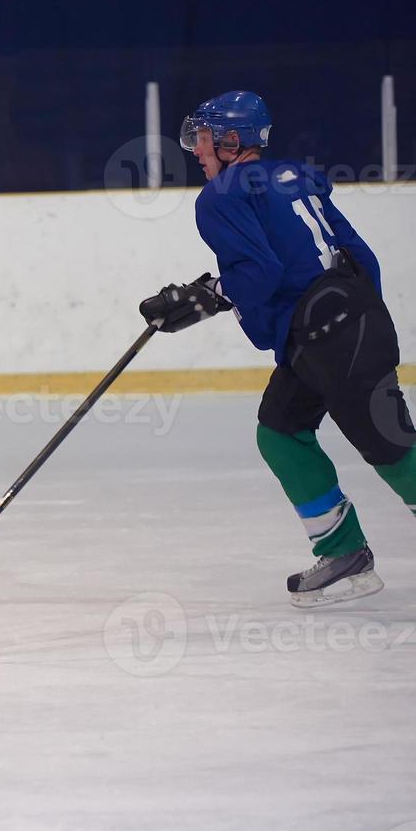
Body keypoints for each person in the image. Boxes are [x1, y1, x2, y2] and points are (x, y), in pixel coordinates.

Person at [141, 91, 414, 606]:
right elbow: (358, 253)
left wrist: (212, 295)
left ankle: (347, 554)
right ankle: (345, 554)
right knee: (281, 430)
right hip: (335, 327)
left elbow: (260, 273)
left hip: (330, 335)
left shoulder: (220, 196)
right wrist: (363, 317)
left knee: (389, 445)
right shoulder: (293, 176)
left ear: (230, 141)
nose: (196, 150)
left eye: (202, 139)